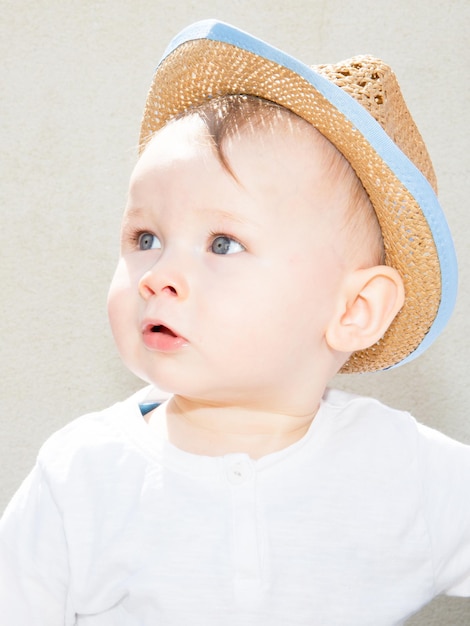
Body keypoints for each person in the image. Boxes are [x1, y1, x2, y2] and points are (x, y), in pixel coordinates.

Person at [0, 19, 467, 626]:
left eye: (222, 243)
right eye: (146, 237)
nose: (157, 274)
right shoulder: (83, 475)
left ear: (354, 311)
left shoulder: (408, 472)